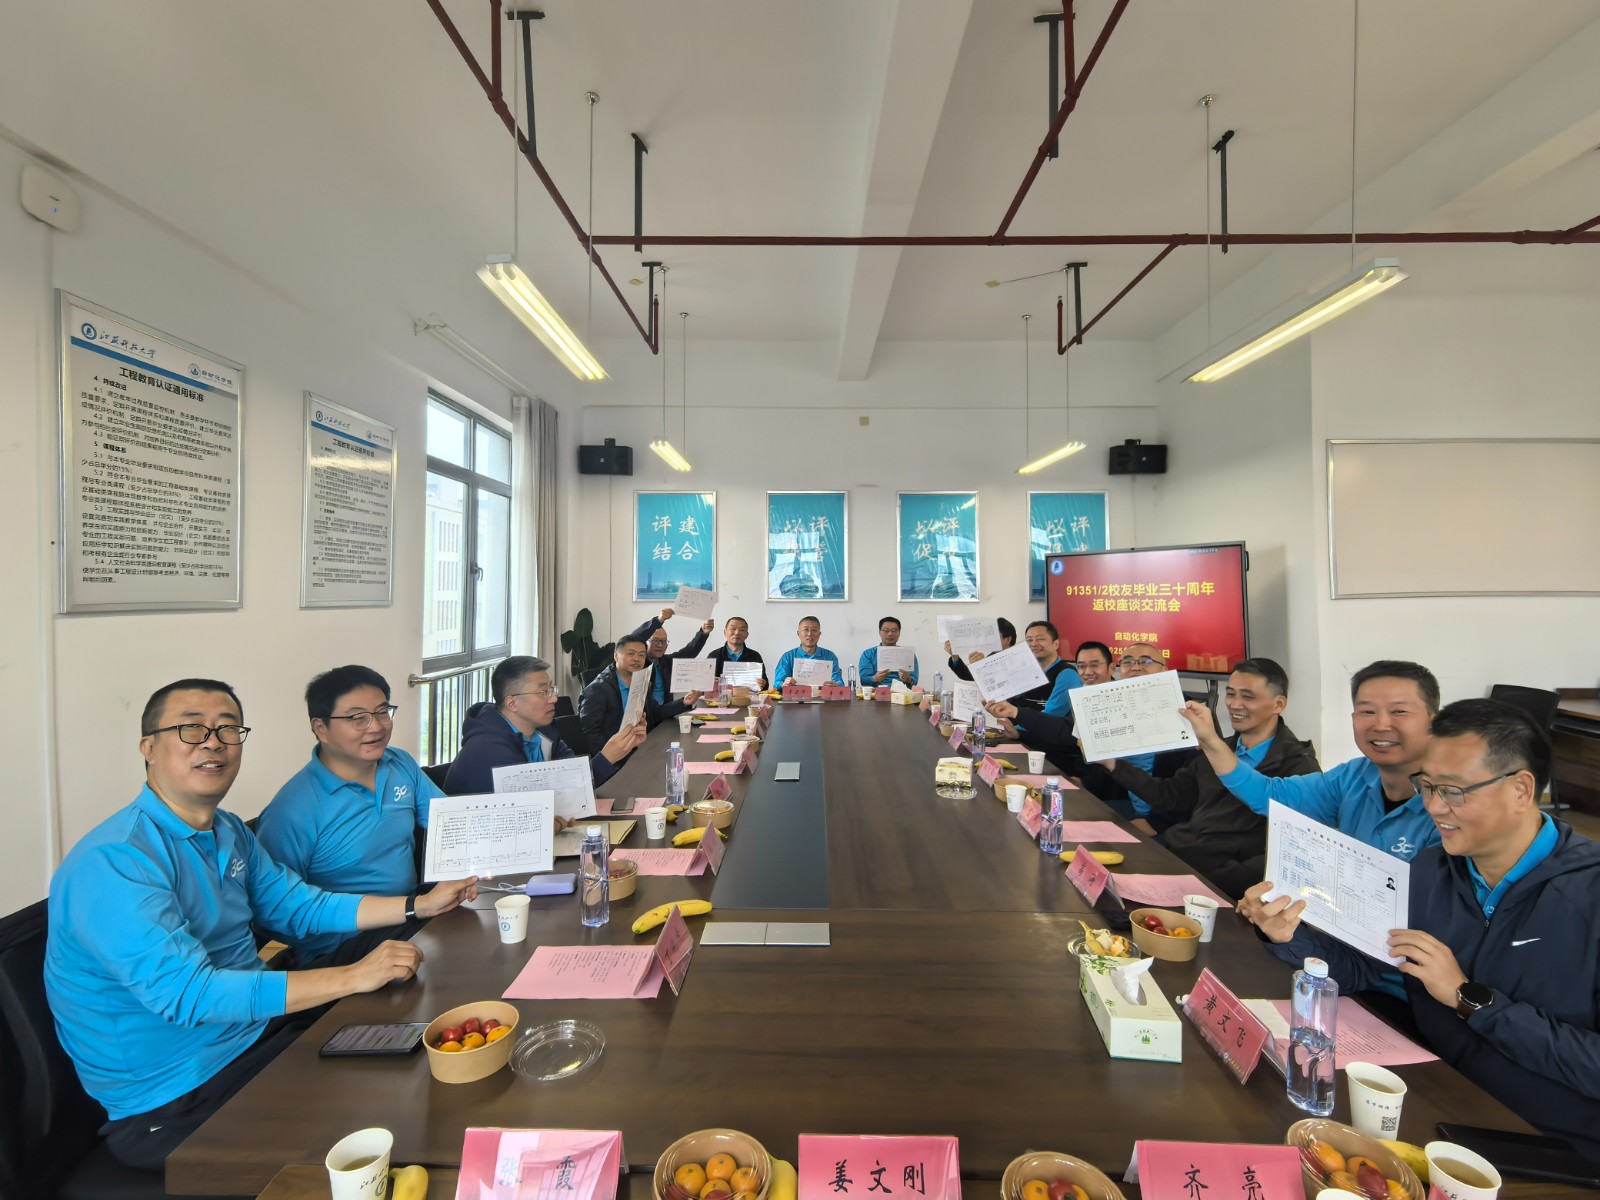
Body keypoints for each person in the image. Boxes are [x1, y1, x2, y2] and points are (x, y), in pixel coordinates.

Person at [44, 679, 476, 1171]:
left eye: (228, 729)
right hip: (177, 1097)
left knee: (418, 1045)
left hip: (256, 1037)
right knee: (397, 1117)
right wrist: (353, 976)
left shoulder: (227, 830)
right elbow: (190, 996)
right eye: (191, 729)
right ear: (149, 748)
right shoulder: (116, 861)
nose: (213, 742)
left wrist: (416, 907)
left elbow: (297, 907)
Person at [1244, 699, 1600, 1160]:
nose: (1433, 806)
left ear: (1520, 789)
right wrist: (1289, 934)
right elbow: (1365, 967)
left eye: (1452, 790)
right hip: (1436, 1103)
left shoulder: (1587, 895)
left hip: (1548, 1145)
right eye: (1427, 786)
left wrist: (1469, 998)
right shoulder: (1430, 871)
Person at [256, 665, 449, 961]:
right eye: (358, 718)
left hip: (412, 912)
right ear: (321, 728)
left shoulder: (399, 764)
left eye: (382, 712)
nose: (376, 727)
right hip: (345, 946)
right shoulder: (292, 810)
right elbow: (272, 913)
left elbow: (448, 822)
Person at [1180, 659, 1441, 861]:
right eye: (1367, 711)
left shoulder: (1451, 800)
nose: (1381, 724)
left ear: (1434, 720)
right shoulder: (1352, 778)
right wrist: (1210, 740)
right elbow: (1269, 794)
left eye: (1399, 711)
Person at [1103, 658, 1320, 896]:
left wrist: (1215, 884)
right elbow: (1170, 795)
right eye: (1231, 694)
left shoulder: (1299, 766)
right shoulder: (1219, 748)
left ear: (1279, 704)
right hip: (1177, 859)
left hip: (1221, 887)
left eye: (1248, 697)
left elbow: (1291, 852)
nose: (1234, 704)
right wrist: (1113, 764)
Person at [444, 655, 647, 796]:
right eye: (543, 692)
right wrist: (607, 757)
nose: (553, 699)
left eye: (552, 689)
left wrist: (622, 748)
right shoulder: (488, 749)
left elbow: (574, 781)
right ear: (512, 703)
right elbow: (535, 806)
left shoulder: (544, 731)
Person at [579, 634, 660, 750]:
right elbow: (590, 736)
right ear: (616, 656)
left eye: (641, 655)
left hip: (637, 746)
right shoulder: (598, 689)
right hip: (612, 755)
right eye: (631, 654)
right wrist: (615, 754)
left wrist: (683, 703)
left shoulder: (641, 682)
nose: (637, 659)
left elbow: (653, 712)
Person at [630, 606, 711, 721]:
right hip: (644, 720)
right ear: (644, 643)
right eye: (655, 641)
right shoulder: (637, 665)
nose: (660, 645)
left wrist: (703, 634)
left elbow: (689, 652)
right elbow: (632, 640)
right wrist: (658, 620)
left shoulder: (665, 661)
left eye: (664, 641)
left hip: (666, 716)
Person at [1014, 620, 1080, 711]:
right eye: (1029, 640)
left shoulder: (1068, 674)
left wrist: (1014, 718)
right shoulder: (1023, 672)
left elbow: (1052, 714)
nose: (1033, 644)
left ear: (1056, 644)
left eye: (1040, 639)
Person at [773, 615, 843, 686]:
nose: (809, 634)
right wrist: (784, 684)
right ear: (798, 634)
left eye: (814, 630)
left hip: (822, 693)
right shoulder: (788, 657)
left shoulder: (829, 656)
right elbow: (777, 683)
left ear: (819, 634)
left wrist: (836, 685)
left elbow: (839, 681)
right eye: (805, 630)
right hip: (796, 693)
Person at [944, 617, 1016, 682]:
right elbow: (967, 675)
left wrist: (981, 667)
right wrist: (955, 656)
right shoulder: (992, 656)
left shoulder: (1018, 657)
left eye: (995, 635)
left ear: (1008, 639)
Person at [858, 615, 918, 688]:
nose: (890, 634)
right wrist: (875, 678)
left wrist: (908, 679)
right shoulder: (868, 654)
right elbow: (863, 680)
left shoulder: (908, 654)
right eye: (886, 631)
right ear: (880, 632)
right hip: (877, 692)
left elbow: (914, 681)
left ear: (899, 633)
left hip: (903, 692)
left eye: (894, 631)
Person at [708, 616, 767, 688]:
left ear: (747, 635)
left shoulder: (755, 656)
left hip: (748, 695)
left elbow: (765, 685)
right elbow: (704, 686)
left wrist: (763, 684)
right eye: (733, 629)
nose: (737, 633)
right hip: (721, 695)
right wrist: (709, 682)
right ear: (725, 633)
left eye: (742, 630)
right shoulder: (714, 656)